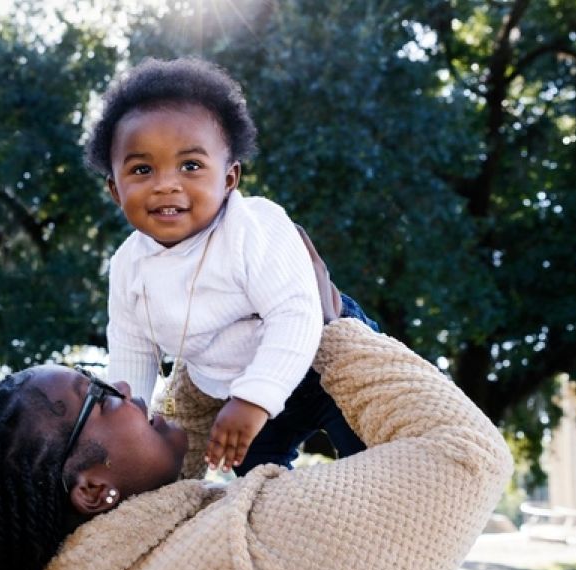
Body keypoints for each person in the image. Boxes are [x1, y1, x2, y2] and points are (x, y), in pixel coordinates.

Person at [0, 243, 513, 570]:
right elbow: (465, 454)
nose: (129, 392)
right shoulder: (248, 567)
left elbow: (173, 457)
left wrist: (214, 330)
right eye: (103, 399)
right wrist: (324, 322)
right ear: (89, 489)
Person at [90, 57, 375, 478]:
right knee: (258, 479)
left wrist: (255, 399)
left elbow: (294, 315)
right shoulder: (128, 267)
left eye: (190, 166)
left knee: (370, 452)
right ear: (116, 189)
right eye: (142, 169)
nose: (167, 183)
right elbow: (132, 354)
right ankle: (289, 535)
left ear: (228, 179)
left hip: (319, 357)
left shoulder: (253, 227)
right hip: (237, 388)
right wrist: (127, 422)